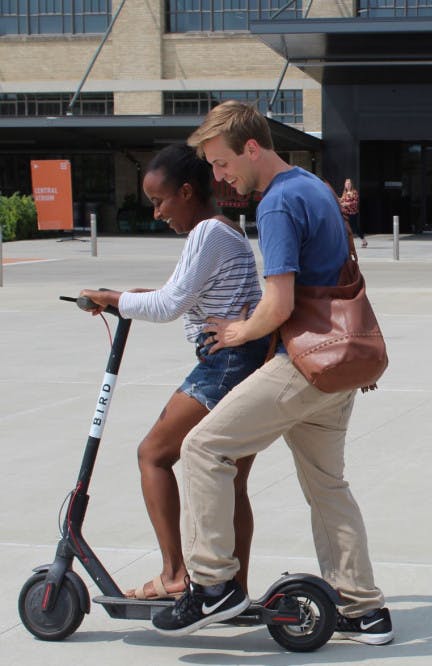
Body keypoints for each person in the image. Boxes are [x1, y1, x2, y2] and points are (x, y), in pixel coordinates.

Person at [152, 100, 392, 644]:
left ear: (252, 148)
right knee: (328, 487)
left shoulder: (278, 204)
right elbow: (336, 279)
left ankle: (213, 584)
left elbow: (279, 304)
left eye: (221, 163)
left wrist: (238, 331)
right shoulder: (315, 187)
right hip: (337, 365)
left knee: (203, 448)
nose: (218, 175)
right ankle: (364, 610)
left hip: (303, 366)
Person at [79, 143, 268, 601]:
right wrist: (128, 296)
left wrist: (118, 301)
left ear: (186, 191)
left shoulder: (207, 233)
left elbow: (167, 306)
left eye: (160, 201)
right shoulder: (224, 231)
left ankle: (174, 575)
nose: (158, 212)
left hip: (225, 366)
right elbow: (180, 294)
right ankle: (234, 588)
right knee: (232, 481)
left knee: (154, 455)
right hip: (247, 362)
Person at [338, 177, 366, 247]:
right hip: (346, 213)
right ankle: (346, 243)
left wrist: (346, 204)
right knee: (344, 227)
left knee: (355, 228)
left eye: (349, 183)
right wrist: (338, 199)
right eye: (346, 184)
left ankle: (364, 241)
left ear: (351, 184)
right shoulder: (344, 193)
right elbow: (342, 200)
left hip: (353, 213)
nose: (348, 185)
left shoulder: (354, 192)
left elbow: (355, 202)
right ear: (345, 185)